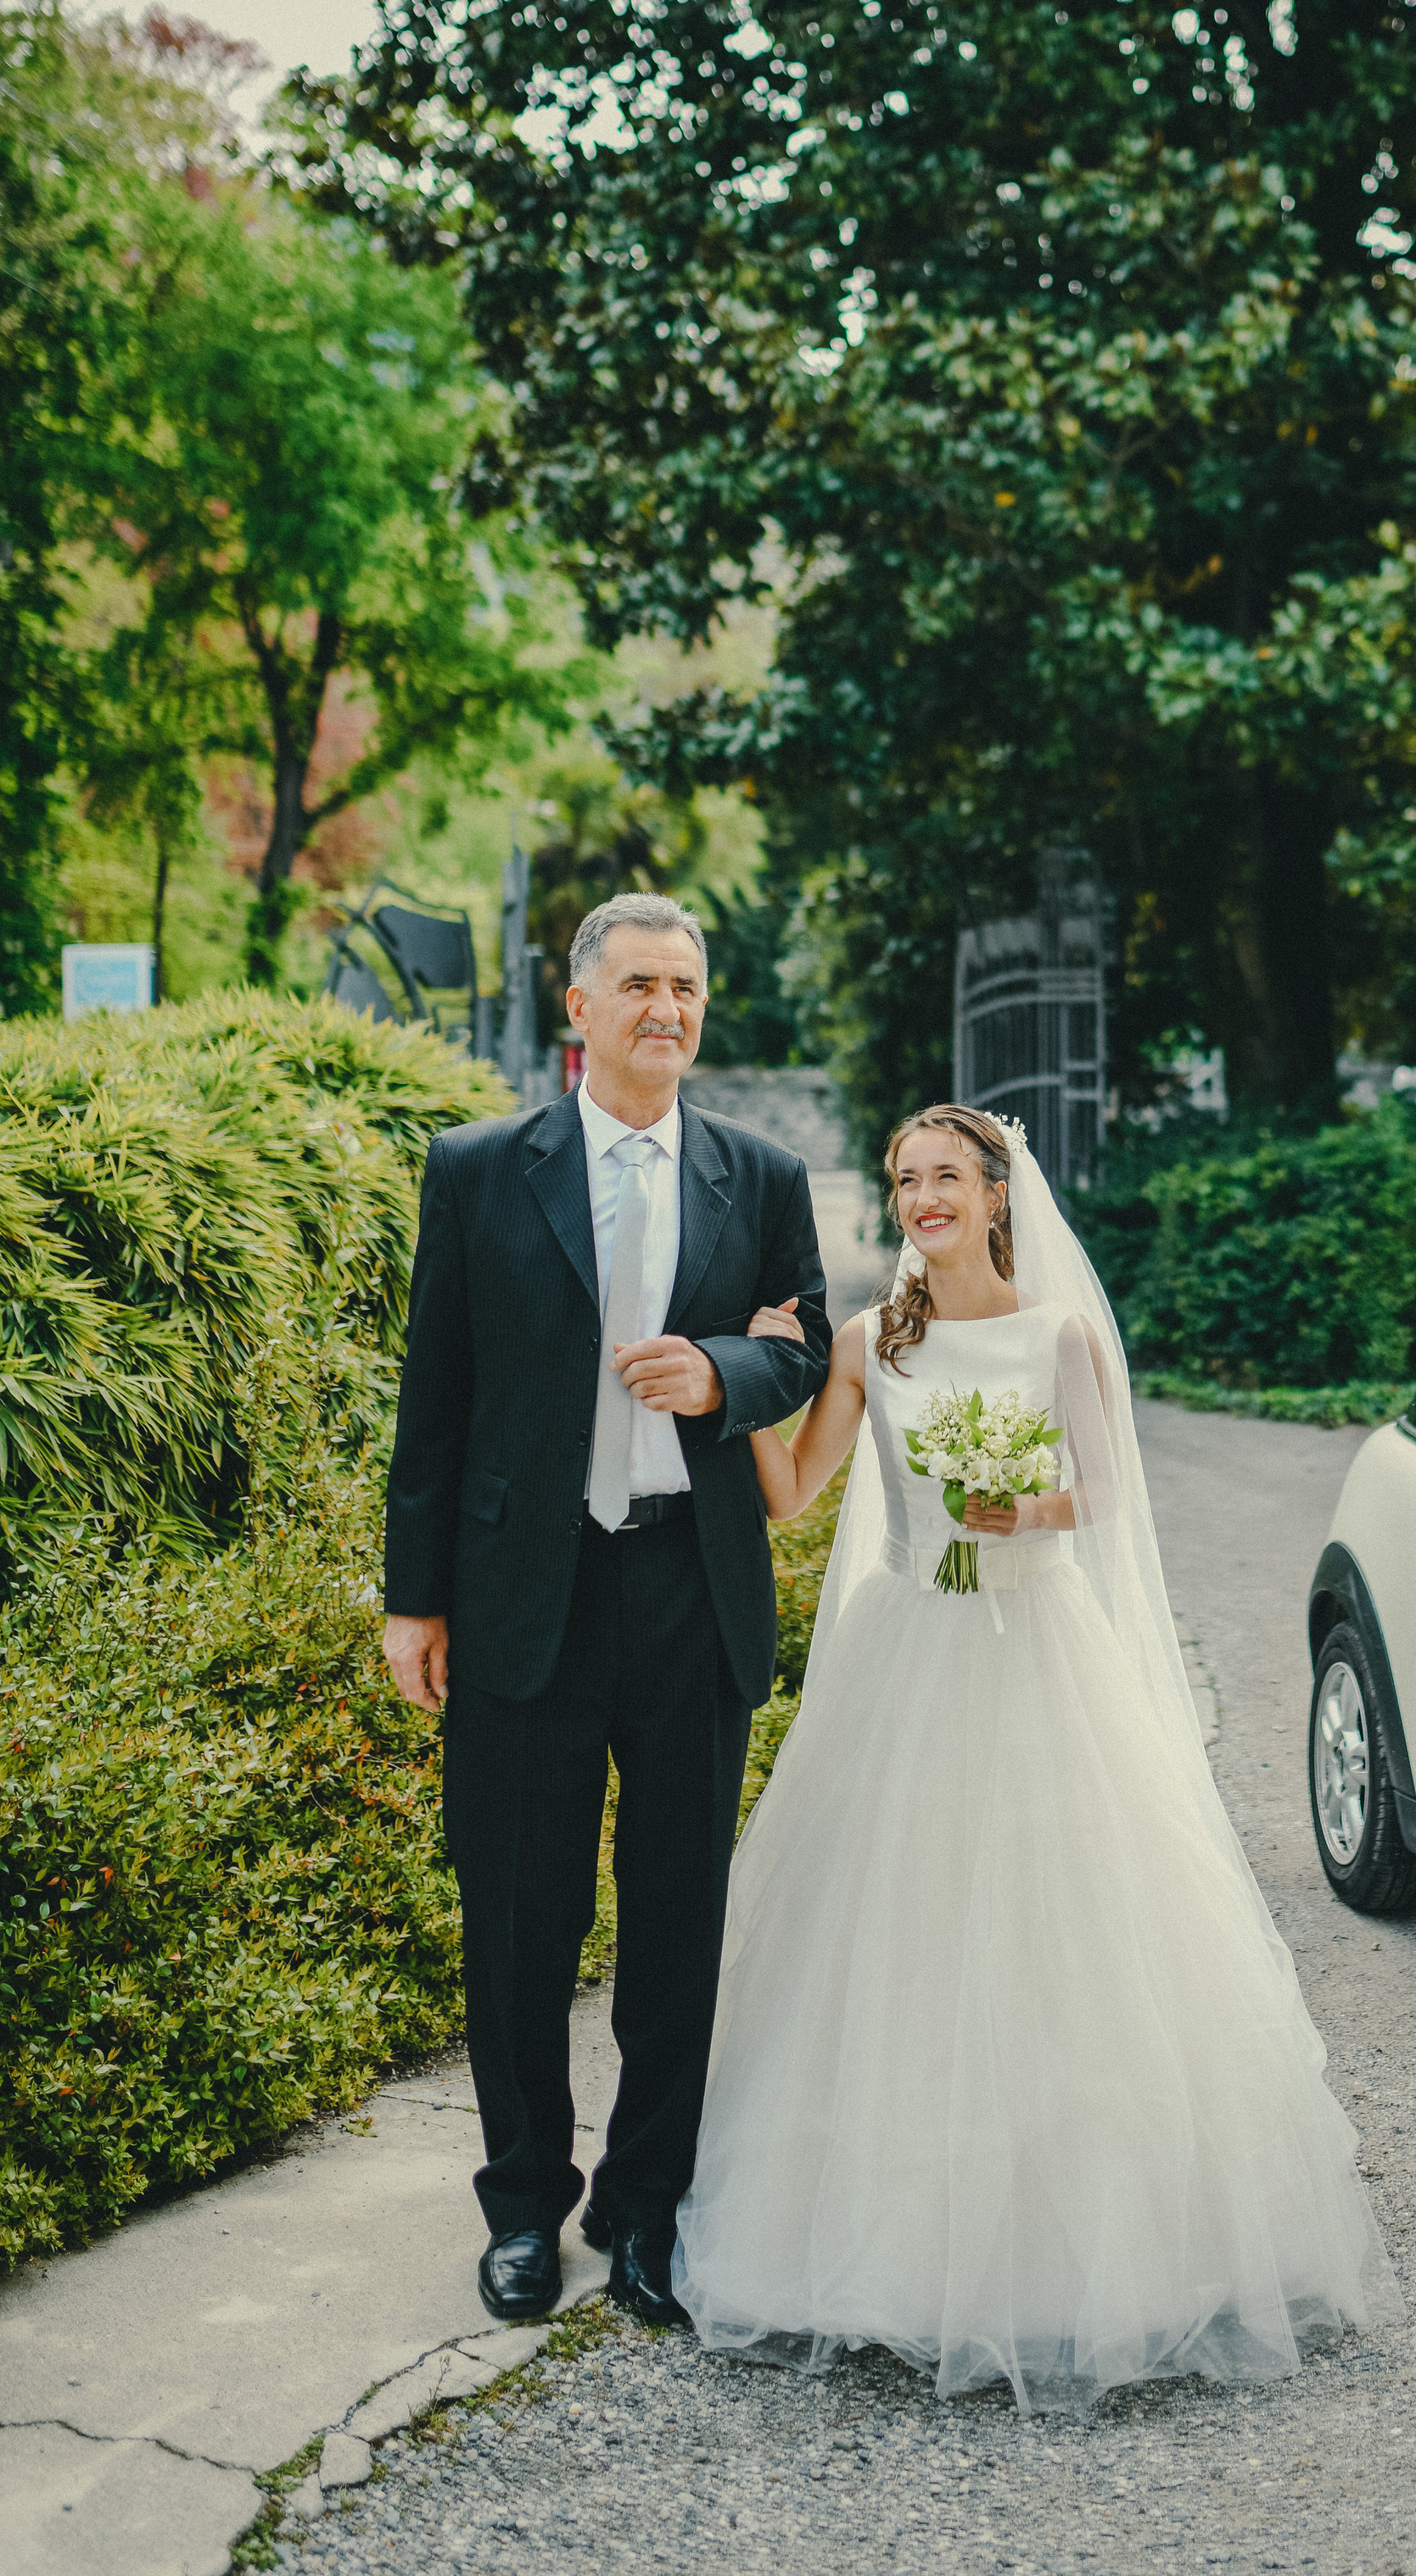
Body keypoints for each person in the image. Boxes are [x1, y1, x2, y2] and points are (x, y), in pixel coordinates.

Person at [672, 1102, 1399, 2410]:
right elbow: (791, 1494)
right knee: (901, 1931)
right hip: (910, 1651)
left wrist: (1028, 1506)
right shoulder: (868, 1342)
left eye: (947, 1177)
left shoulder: (1060, 1334)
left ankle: (1081, 2251)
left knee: (1061, 1926)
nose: (924, 1200)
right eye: (907, 1180)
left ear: (997, 1195)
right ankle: (887, 2248)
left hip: (1038, 1646)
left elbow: (1108, 1495)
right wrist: (749, 1377)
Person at [381, 892, 830, 2327]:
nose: (666, 1009)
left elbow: (806, 1343)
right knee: (519, 1919)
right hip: (528, 1594)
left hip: (691, 1589)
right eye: (637, 984)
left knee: (678, 1924)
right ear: (578, 1007)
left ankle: (645, 2213)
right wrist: (414, 1599)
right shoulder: (476, 1170)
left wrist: (720, 1373)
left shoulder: (761, 1176)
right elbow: (436, 1395)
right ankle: (524, 2209)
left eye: (685, 986)